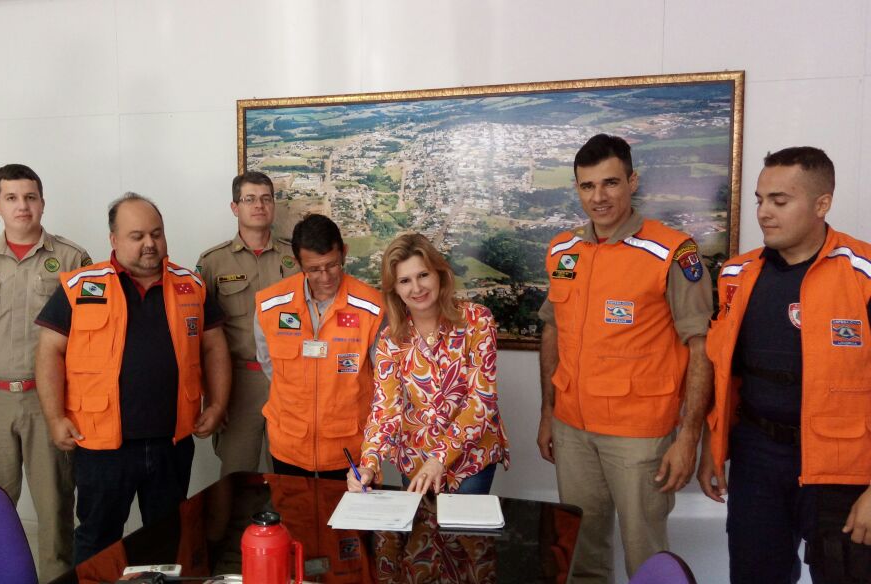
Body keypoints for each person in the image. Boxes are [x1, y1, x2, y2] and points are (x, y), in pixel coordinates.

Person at [535, 134, 714, 582]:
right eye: (587, 186)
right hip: (572, 428)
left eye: (610, 183)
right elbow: (553, 330)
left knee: (647, 557)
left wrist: (689, 437)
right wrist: (547, 412)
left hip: (640, 435)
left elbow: (701, 347)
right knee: (580, 553)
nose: (599, 197)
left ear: (632, 182)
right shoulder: (562, 250)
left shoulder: (673, 252)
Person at [698, 147, 871, 583]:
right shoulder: (736, 276)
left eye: (779, 201)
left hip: (843, 465)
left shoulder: (863, 274)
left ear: (822, 204)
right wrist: (712, 450)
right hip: (757, 457)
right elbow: (725, 375)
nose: (763, 213)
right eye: (760, 200)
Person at [34, 192, 231, 563]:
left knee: (166, 537)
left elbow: (214, 347)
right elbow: (49, 353)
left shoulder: (191, 284)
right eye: (137, 236)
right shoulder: (80, 286)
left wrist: (218, 403)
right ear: (113, 239)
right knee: (98, 538)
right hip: (102, 445)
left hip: (171, 442)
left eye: (156, 233)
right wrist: (55, 417)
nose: (150, 244)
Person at [0, 164, 90, 580]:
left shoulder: (73, 258)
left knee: (55, 507)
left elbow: (88, 338)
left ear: (42, 202)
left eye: (30, 197)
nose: (22, 206)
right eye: (11, 198)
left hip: (50, 402)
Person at [349, 233, 509, 495]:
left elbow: (482, 400)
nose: (416, 288)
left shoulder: (477, 320)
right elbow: (385, 409)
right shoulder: (390, 339)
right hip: (416, 460)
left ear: (439, 274)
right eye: (405, 281)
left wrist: (439, 459)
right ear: (395, 289)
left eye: (423, 275)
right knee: (420, 523)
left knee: (462, 524)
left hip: (470, 459)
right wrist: (368, 463)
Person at [253, 213, 384, 480]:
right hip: (288, 445)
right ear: (298, 263)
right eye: (314, 269)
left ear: (344, 252)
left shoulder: (372, 308)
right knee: (290, 508)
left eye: (332, 265)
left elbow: (384, 380)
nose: (325, 277)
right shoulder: (270, 305)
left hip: (348, 448)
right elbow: (269, 364)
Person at [197, 171, 298, 476]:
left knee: (289, 475)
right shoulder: (213, 262)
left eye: (266, 199)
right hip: (239, 382)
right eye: (249, 199)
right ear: (235, 207)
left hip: (289, 380)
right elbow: (200, 335)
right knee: (237, 474)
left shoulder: (296, 257)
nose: (259, 206)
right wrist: (214, 397)